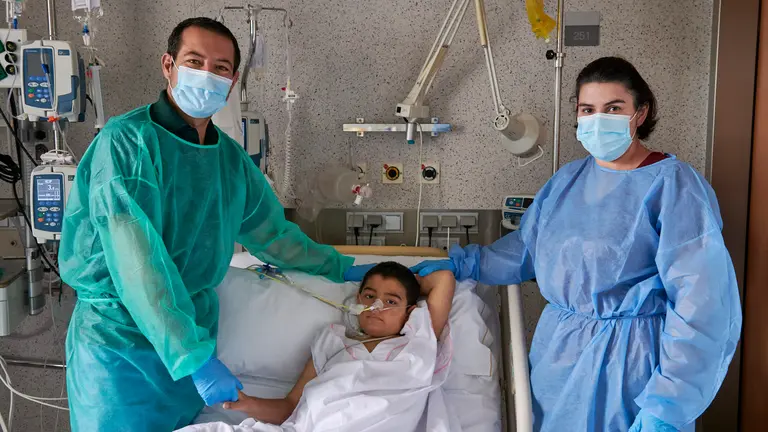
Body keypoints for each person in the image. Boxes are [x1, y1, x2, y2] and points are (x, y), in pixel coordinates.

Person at [59, 17, 373, 431]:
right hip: (122, 349)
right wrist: (194, 358)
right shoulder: (127, 144)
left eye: (221, 68)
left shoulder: (229, 161)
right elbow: (137, 266)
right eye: (195, 61)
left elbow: (273, 236)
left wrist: (341, 267)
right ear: (168, 65)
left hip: (191, 339)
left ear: (233, 80)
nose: (208, 75)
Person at [410, 57, 742, 432]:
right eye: (588, 109)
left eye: (613, 108)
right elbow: (527, 250)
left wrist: (668, 404)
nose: (598, 119)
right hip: (558, 358)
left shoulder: (674, 186)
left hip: (630, 364)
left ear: (640, 112)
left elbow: (702, 306)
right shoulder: (568, 179)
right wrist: (464, 265)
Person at [178, 262, 455, 431]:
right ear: (357, 300)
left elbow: (444, 278)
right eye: (369, 296)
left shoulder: (419, 337)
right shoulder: (332, 342)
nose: (376, 306)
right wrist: (247, 403)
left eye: (390, 301)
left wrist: (411, 279)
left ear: (409, 311)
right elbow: (290, 407)